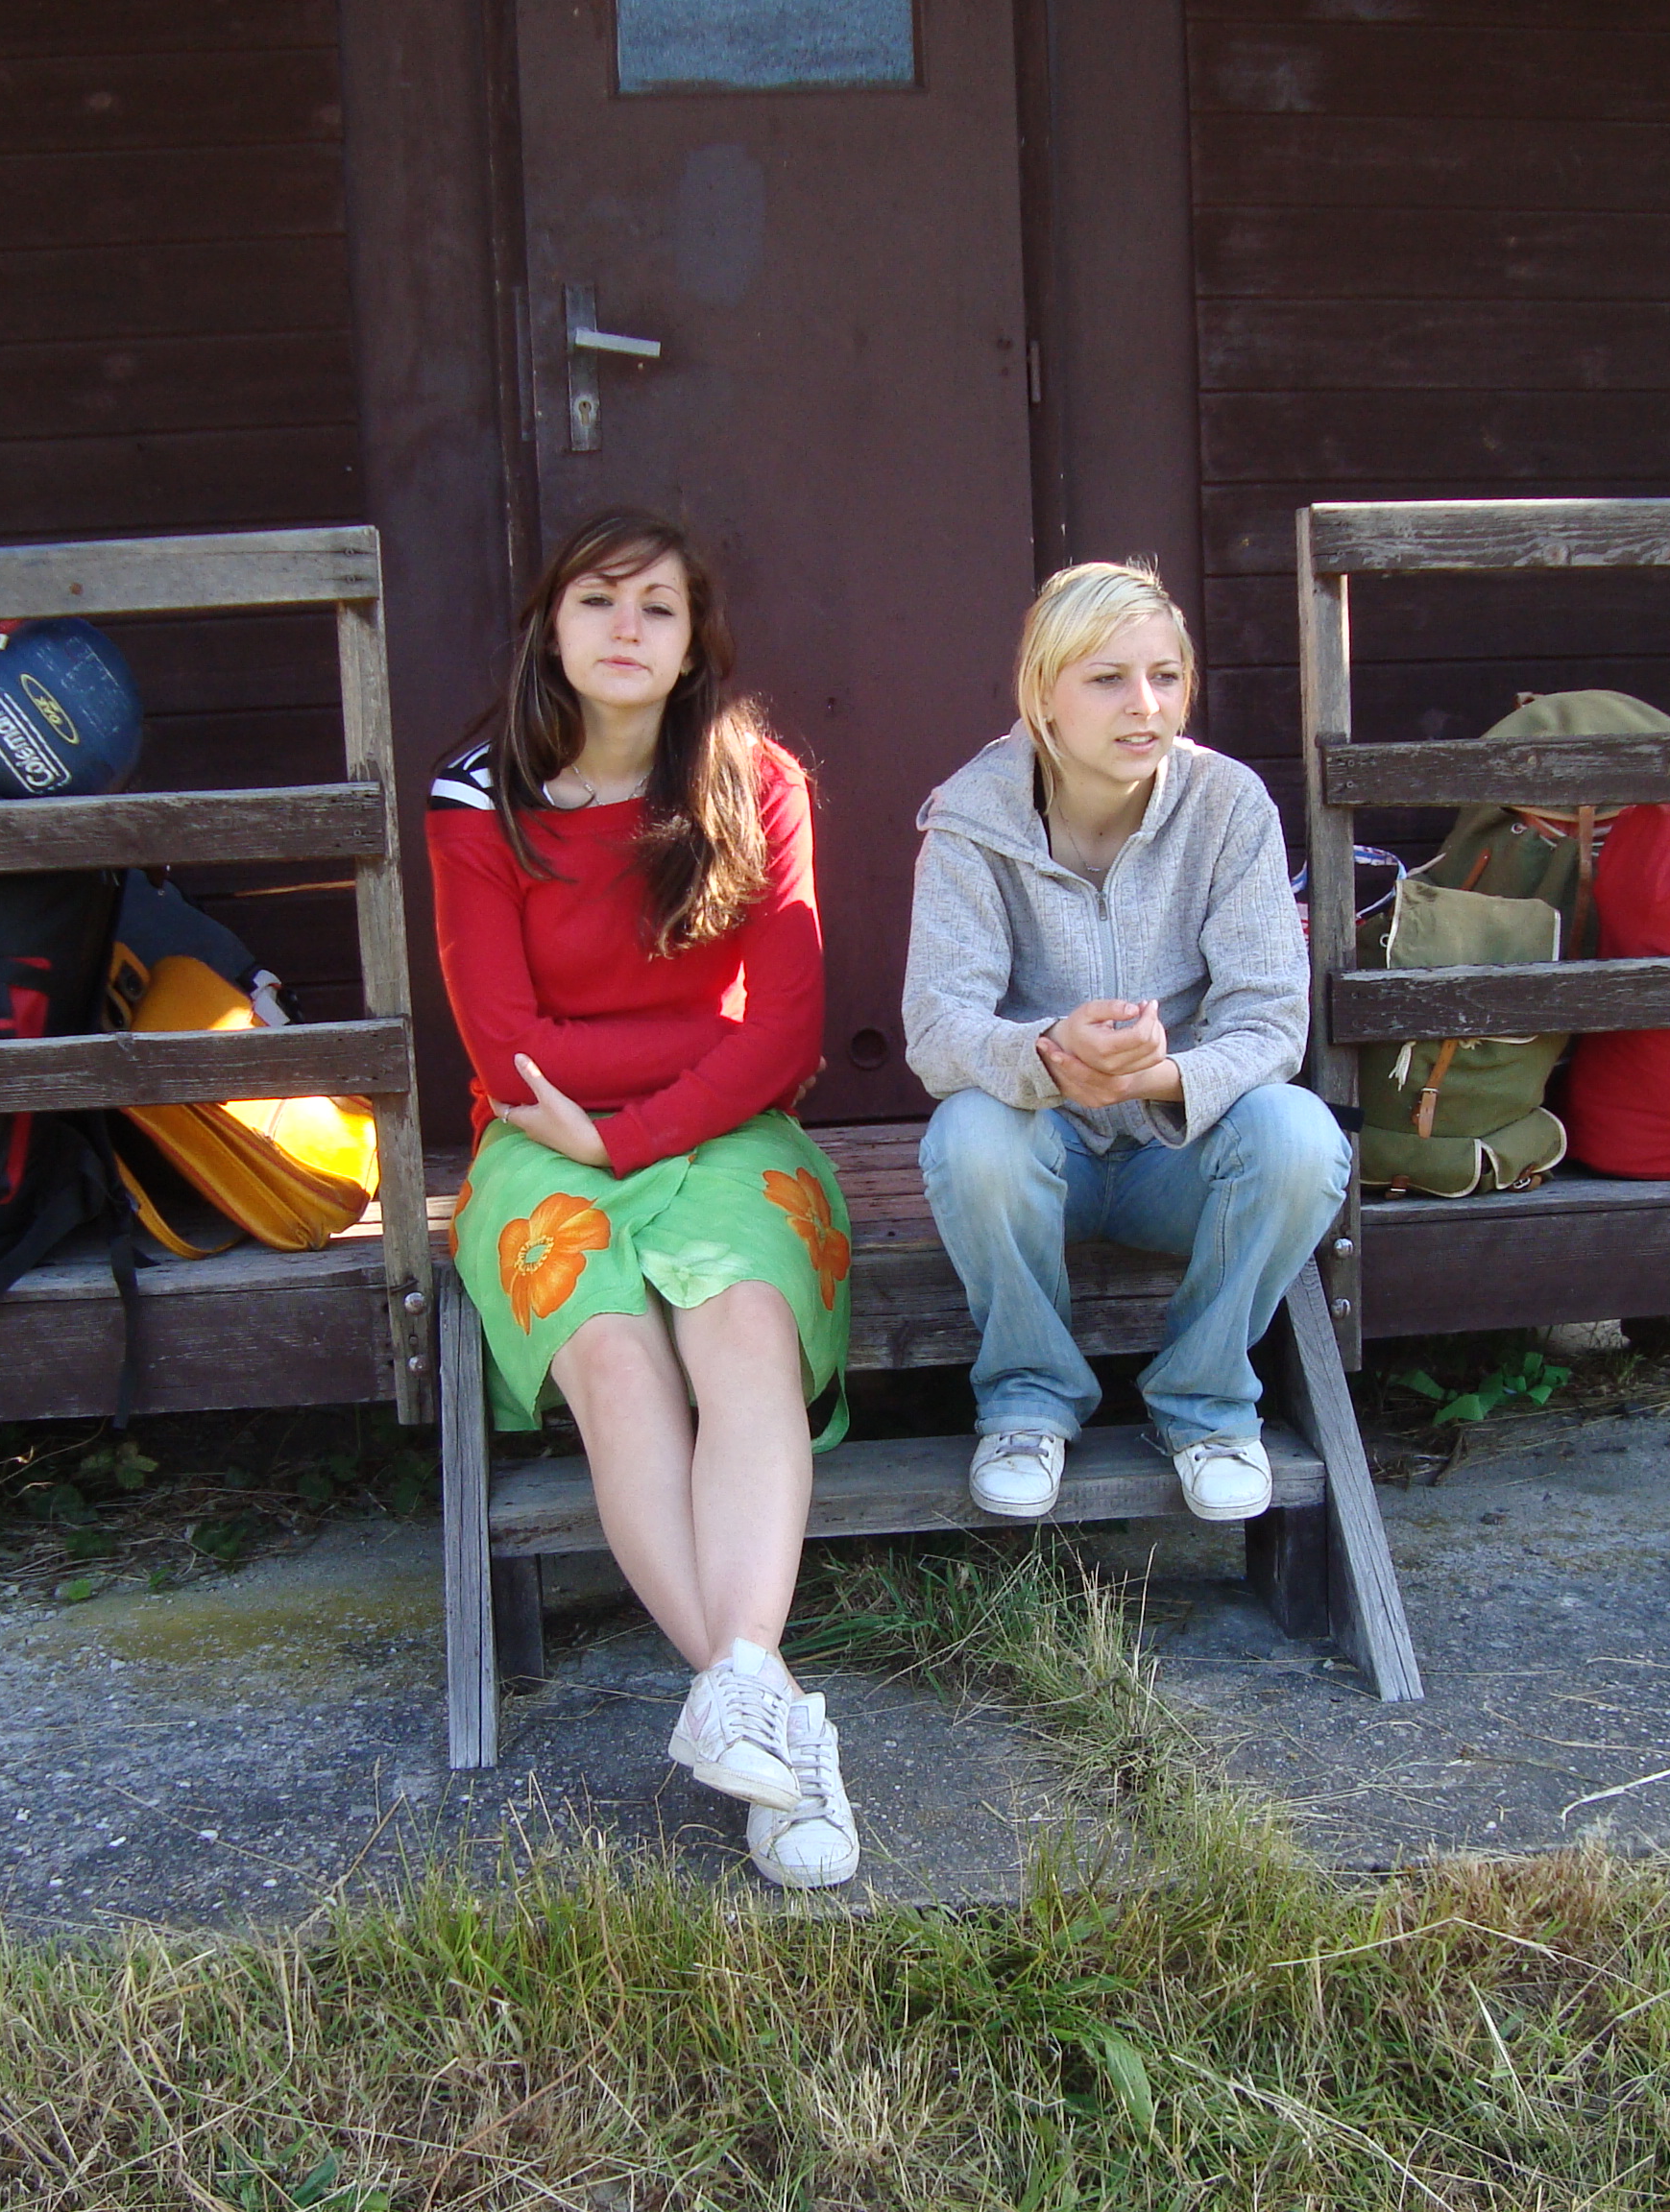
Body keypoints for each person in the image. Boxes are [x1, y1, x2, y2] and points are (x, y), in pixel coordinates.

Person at [428, 509, 858, 1888]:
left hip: (727, 1133)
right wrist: (682, 1058)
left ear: (692, 646)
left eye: (658, 608)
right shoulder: (478, 802)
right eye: (599, 601)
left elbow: (786, 1031)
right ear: (550, 627)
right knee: (612, 1359)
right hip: (536, 1145)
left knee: (743, 1328)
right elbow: (507, 1047)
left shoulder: (756, 783)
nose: (627, 628)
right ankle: (772, 1714)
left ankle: (745, 1700)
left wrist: (637, 1123)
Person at [903, 560, 1350, 1523]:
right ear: (1043, 695)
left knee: (1302, 1137)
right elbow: (938, 1028)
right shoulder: (972, 820)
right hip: (1044, 1156)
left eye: (1166, 676)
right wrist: (1047, 1055)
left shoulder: (1227, 805)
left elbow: (1272, 1017)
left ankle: (1207, 1403)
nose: (1144, 705)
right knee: (968, 1134)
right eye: (1107, 678)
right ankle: (1028, 1400)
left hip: (1176, 1158)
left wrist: (1168, 1074)